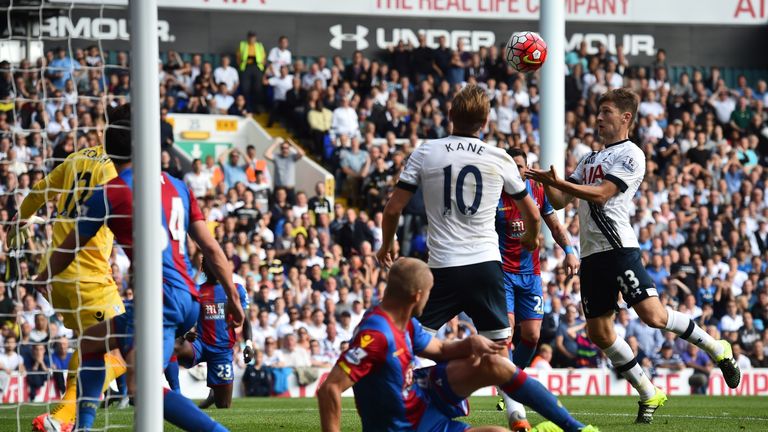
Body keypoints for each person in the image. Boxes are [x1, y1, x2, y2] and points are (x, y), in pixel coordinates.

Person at [527, 88, 740, 424]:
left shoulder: (631, 155)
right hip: (592, 255)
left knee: (652, 316)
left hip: (619, 249)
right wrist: (543, 181)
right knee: (598, 332)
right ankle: (647, 391)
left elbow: (600, 195)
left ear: (625, 117)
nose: (598, 118)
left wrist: (561, 186)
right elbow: (558, 201)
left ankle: (718, 349)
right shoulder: (589, 160)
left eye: (606, 111)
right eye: (598, 111)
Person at [37, 113, 245, 431]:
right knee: (93, 343)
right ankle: (83, 426)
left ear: (109, 150)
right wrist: (233, 297)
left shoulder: (112, 191)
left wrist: (41, 278)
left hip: (159, 297)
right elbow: (213, 249)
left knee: (141, 387)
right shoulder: (178, 186)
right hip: (184, 295)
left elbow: (68, 248)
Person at [317, 258, 597, 432]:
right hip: (404, 426)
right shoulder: (376, 334)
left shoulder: (404, 320)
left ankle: (577, 429)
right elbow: (330, 388)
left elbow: (438, 351)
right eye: (428, 294)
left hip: (419, 395)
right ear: (416, 296)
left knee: (495, 364)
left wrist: (469, 343)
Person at [376, 86, 540, 372]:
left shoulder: (426, 151)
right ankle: (516, 415)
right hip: (486, 265)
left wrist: (387, 244)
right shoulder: (499, 156)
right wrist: (530, 237)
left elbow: (392, 209)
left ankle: (402, 395)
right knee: (500, 349)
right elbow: (533, 216)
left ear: (450, 115)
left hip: (443, 267)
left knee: (411, 338)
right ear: (486, 121)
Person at [8, 104, 130, 432]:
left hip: (57, 274)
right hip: (89, 276)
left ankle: (70, 417)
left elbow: (41, 189)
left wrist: (18, 219)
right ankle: (62, 415)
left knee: (90, 346)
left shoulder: (79, 157)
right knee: (126, 347)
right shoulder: (123, 170)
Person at [494, 147, 580, 428]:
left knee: (531, 336)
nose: (518, 171)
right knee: (506, 331)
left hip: (530, 275)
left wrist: (569, 250)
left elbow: (554, 225)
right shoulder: (494, 193)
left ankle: (511, 379)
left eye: (521, 166)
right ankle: (512, 397)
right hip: (502, 273)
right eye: (513, 166)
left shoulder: (537, 190)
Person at [174, 258, 252, 409]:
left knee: (223, 405)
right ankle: (169, 392)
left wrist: (248, 344)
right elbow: (186, 319)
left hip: (222, 350)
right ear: (204, 269)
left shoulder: (236, 290)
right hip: (200, 344)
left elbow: (246, 321)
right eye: (211, 266)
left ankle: (214, 393)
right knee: (173, 347)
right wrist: (185, 334)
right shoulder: (197, 291)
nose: (215, 269)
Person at [236, 31, 266, 113]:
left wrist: (261, 68)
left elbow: (263, 58)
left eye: (253, 37)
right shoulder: (243, 44)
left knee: (258, 88)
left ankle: (257, 107)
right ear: (248, 37)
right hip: (246, 67)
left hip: (257, 67)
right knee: (245, 88)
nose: (251, 39)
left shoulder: (259, 45)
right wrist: (240, 66)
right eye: (250, 37)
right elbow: (238, 57)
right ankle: (246, 107)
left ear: (255, 38)